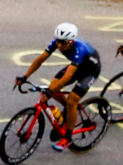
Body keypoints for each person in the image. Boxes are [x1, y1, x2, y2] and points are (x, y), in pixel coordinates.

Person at [17, 21, 102, 150]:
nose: (59, 45)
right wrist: (25, 76)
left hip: (90, 70)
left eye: (62, 42)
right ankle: (67, 115)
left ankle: (67, 138)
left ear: (71, 42)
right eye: (58, 41)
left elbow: (68, 76)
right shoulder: (57, 42)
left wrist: (50, 92)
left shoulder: (79, 50)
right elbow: (41, 59)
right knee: (53, 86)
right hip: (76, 66)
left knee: (72, 100)